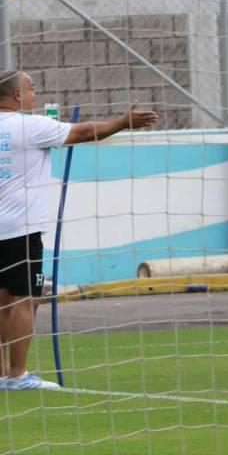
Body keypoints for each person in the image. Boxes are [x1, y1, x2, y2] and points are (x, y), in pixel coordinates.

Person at [0, 70, 157, 390]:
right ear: (16, 95)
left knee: (2, 302)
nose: (34, 95)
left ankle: (3, 375)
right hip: (21, 229)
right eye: (31, 89)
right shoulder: (29, 126)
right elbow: (84, 132)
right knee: (24, 300)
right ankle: (17, 376)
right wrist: (122, 122)